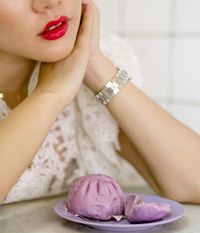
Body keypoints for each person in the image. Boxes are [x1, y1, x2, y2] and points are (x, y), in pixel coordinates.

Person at [0, 0, 200, 205]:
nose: (50, 2)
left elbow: (195, 182)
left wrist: (94, 65)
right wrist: (51, 94)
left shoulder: (91, 62)